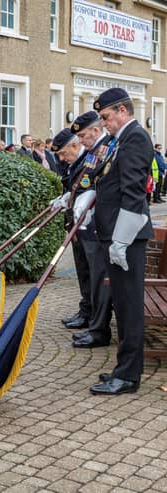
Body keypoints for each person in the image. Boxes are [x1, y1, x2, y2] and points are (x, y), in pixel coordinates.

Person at [77, 88, 154, 395]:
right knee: (121, 305)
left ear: (123, 110)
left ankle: (128, 376)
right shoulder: (120, 140)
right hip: (114, 235)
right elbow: (109, 181)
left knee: (130, 305)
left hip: (127, 237)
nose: (105, 123)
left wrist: (120, 241)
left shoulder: (135, 138)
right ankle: (123, 368)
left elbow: (134, 194)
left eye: (106, 117)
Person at [67, 111, 114, 349]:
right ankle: (95, 325)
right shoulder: (95, 152)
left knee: (99, 279)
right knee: (92, 278)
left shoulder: (106, 148)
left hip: (98, 226)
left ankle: (99, 330)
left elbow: (99, 183)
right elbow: (85, 180)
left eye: (84, 136)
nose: (81, 141)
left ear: (96, 131)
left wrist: (90, 197)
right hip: (88, 225)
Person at [50, 128, 91, 331]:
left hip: (87, 225)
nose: (63, 159)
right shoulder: (75, 162)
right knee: (82, 270)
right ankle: (85, 310)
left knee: (89, 272)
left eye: (64, 154)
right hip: (75, 223)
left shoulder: (89, 160)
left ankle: (90, 314)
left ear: (75, 145)